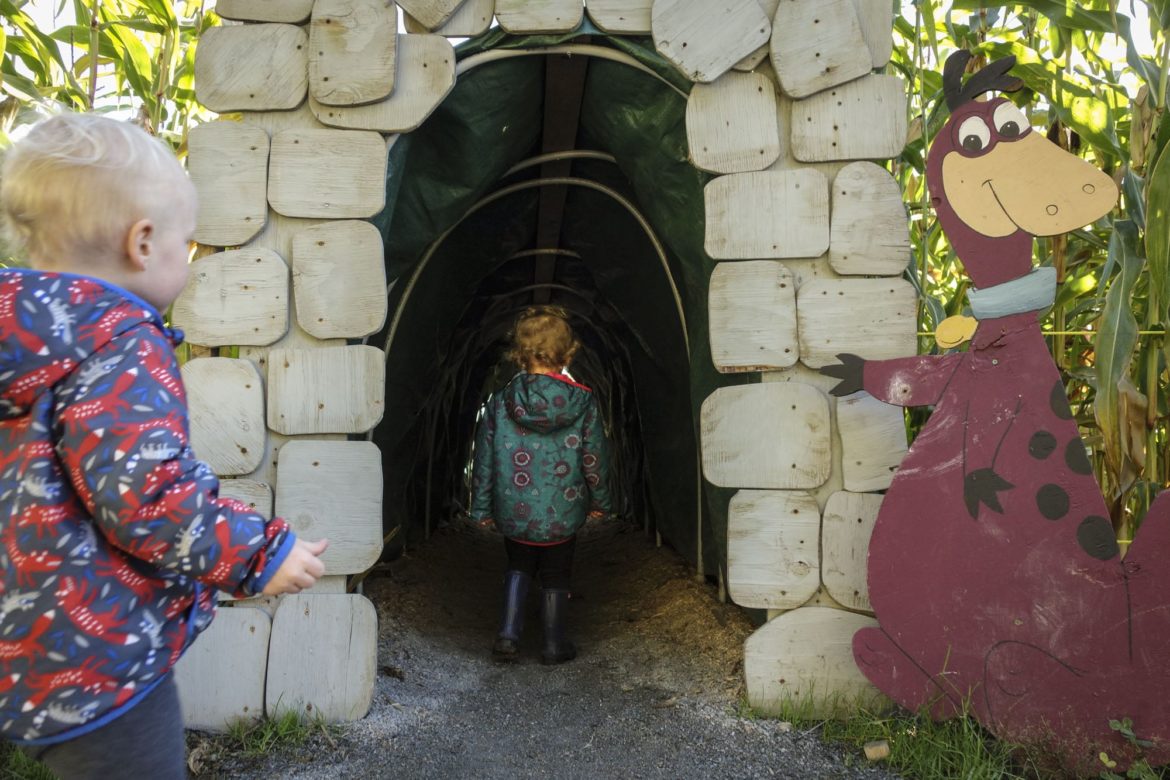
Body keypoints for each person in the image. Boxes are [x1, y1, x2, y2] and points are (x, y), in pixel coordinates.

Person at [0, 112, 328, 778]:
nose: (191, 256)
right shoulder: (116, 343)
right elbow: (146, 494)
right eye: (189, 242)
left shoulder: (24, 342)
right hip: (93, 652)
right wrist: (263, 554)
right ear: (143, 243)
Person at [470, 306, 612, 664]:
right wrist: (602, 500)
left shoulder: (501, 402)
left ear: (518, 354)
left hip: (514, 510)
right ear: (568, 353)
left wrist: (482, 508)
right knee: (556, 573)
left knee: (518, 564)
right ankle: (553, 645)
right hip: (563, 510)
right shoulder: (583, 401)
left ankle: (507, 634)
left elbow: (484, 457)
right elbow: (594, 458)